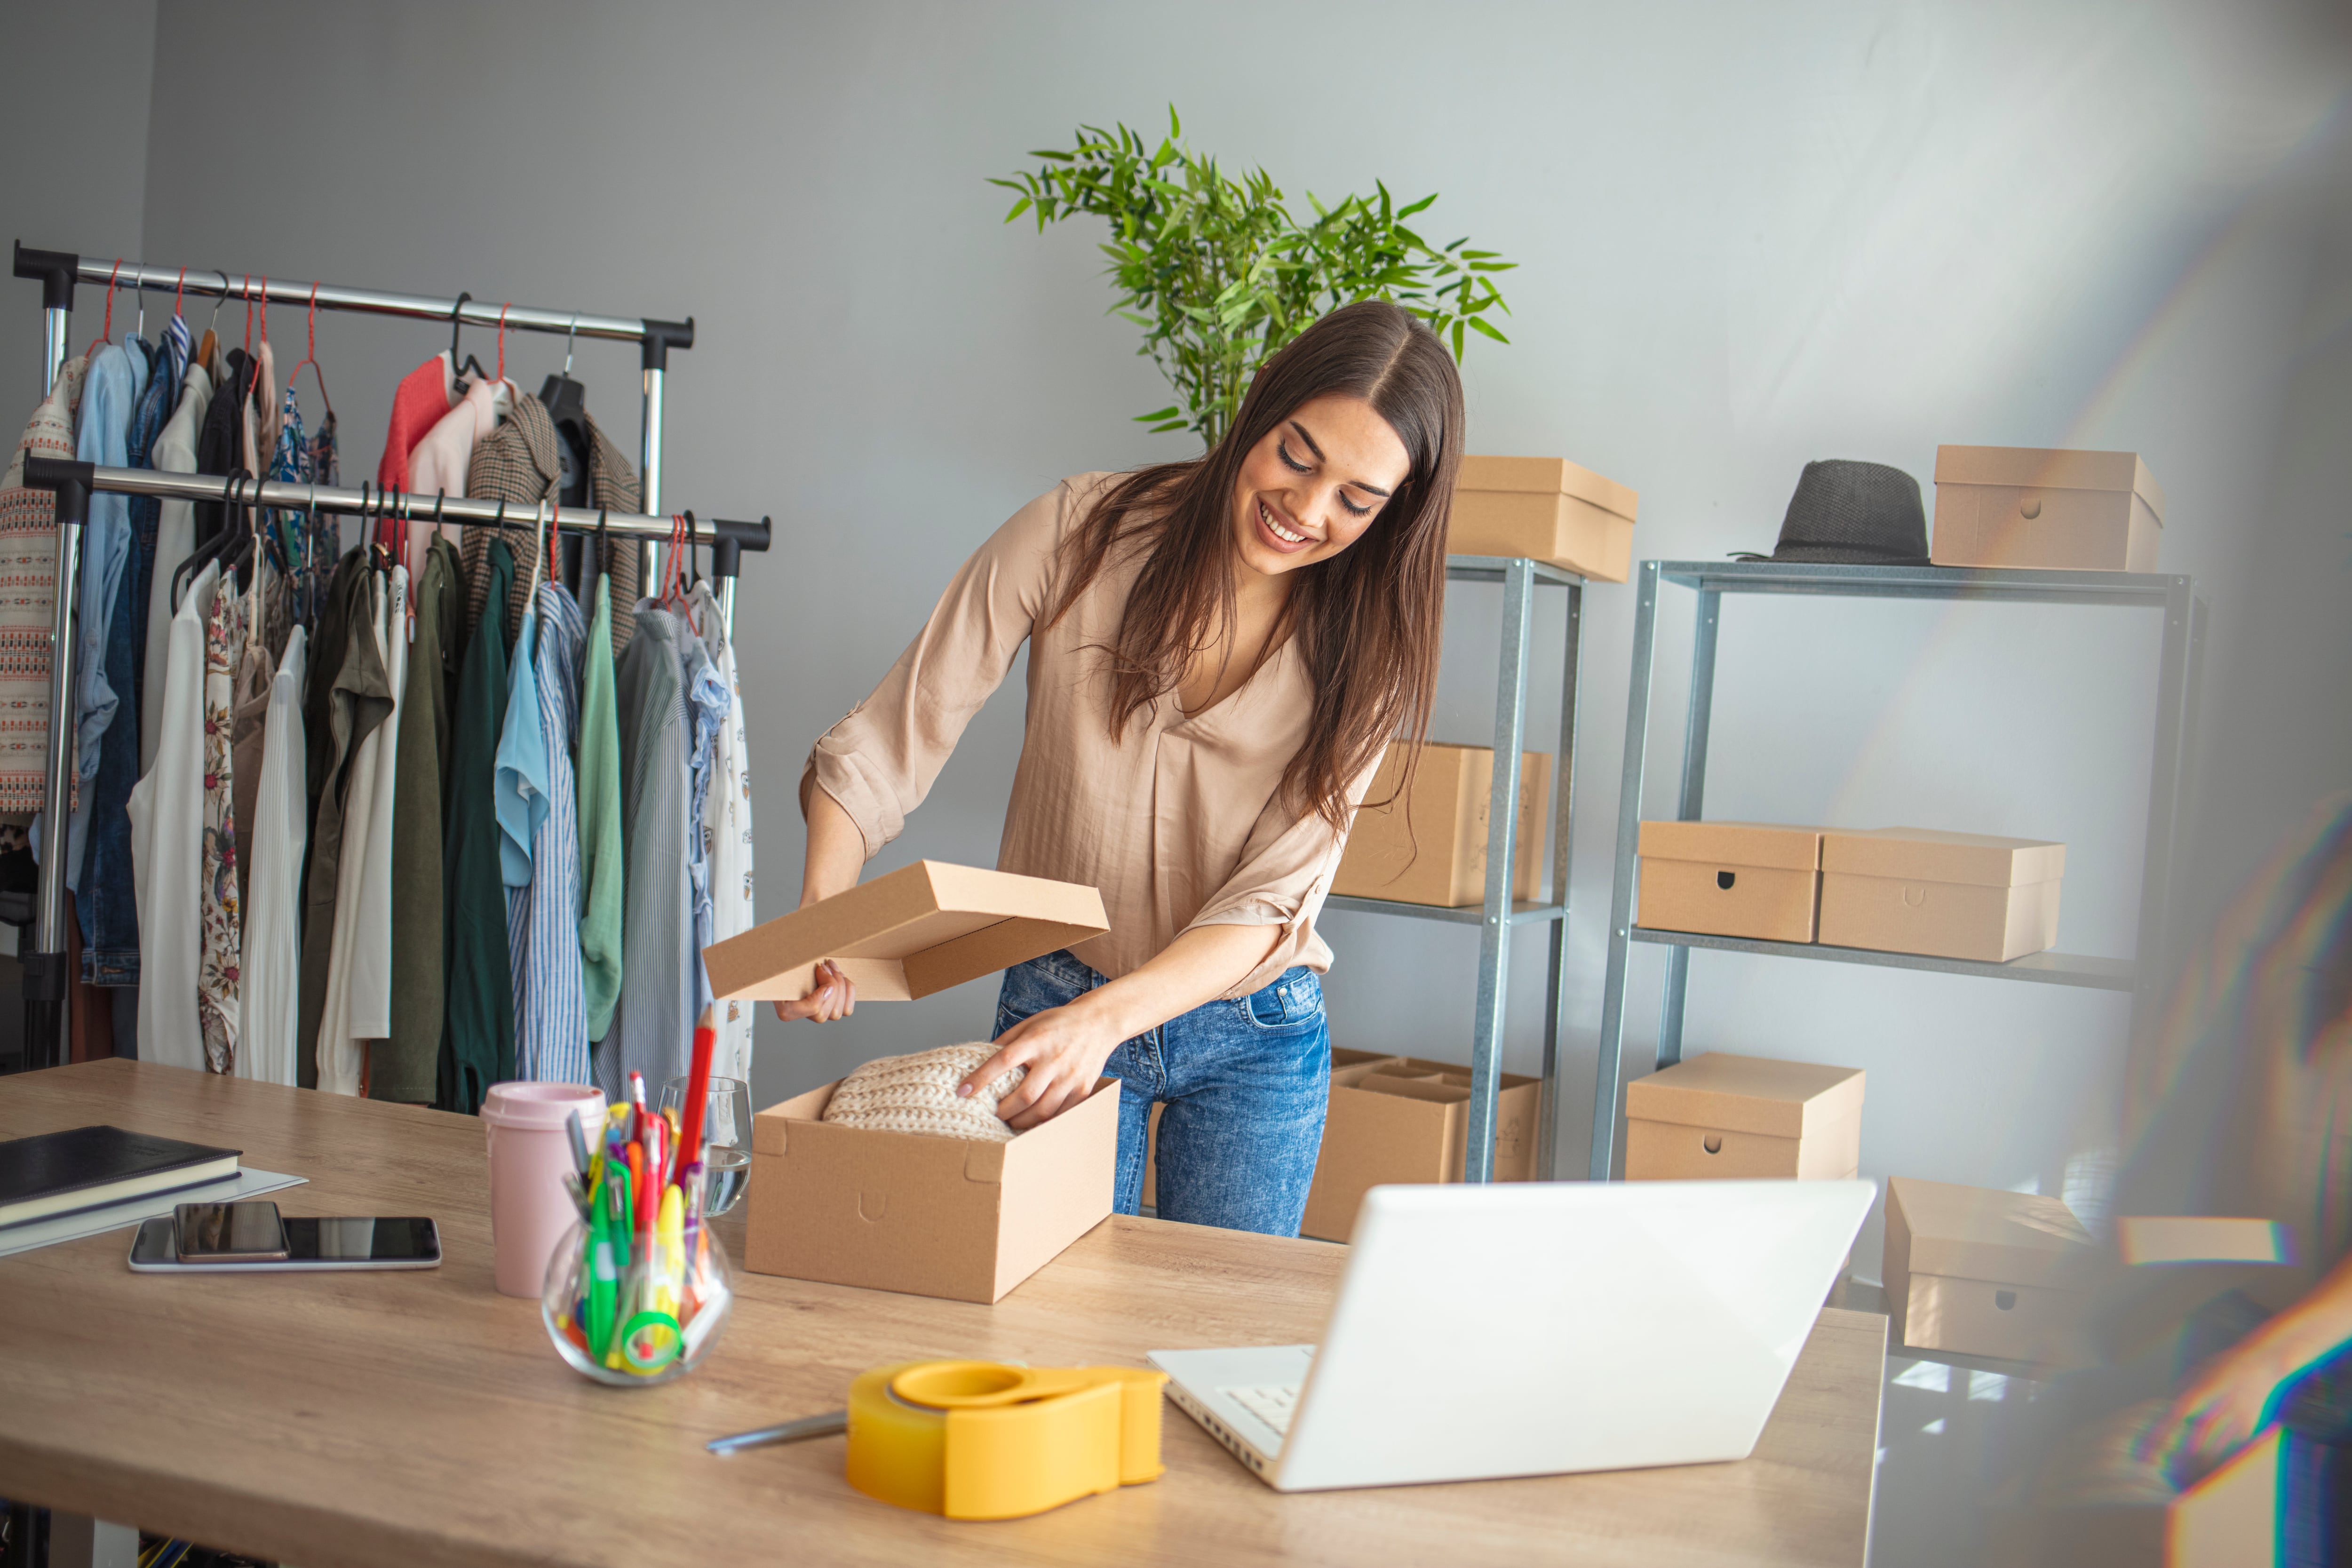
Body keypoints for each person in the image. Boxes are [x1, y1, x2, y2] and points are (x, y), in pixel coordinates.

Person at [778, 300, 1462, 1236]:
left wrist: (1108, 1020)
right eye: (1297, 456)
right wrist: (826, 909)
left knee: (1219, 1346)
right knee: (1048, 1329)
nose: (1306, 509)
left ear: (1397, 512)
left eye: (1356, 498)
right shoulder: (1077, 531)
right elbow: (897, 731)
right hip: (1056, 994)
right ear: (1258, 404)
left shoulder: (1369, 652)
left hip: (1251, 1037)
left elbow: (1270, 902)